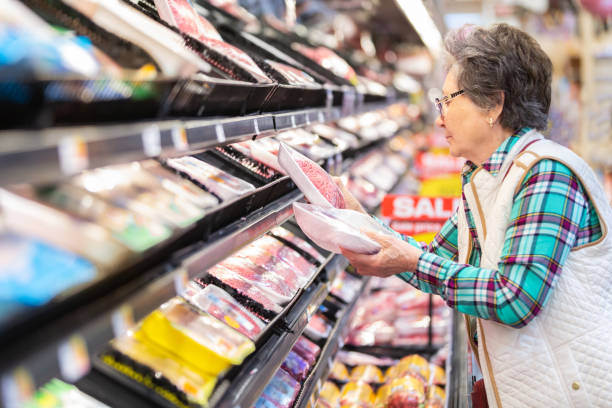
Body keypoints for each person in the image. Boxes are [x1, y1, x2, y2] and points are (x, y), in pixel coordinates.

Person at [336, 23, 612, 408]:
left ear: (494, 104)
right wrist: (356, 222)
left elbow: (514, 298)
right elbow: (432, 258)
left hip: (570, 391)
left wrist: (412, 259)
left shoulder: (546, 173)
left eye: (447, 100)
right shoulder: (487, 179)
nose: (439, 118)